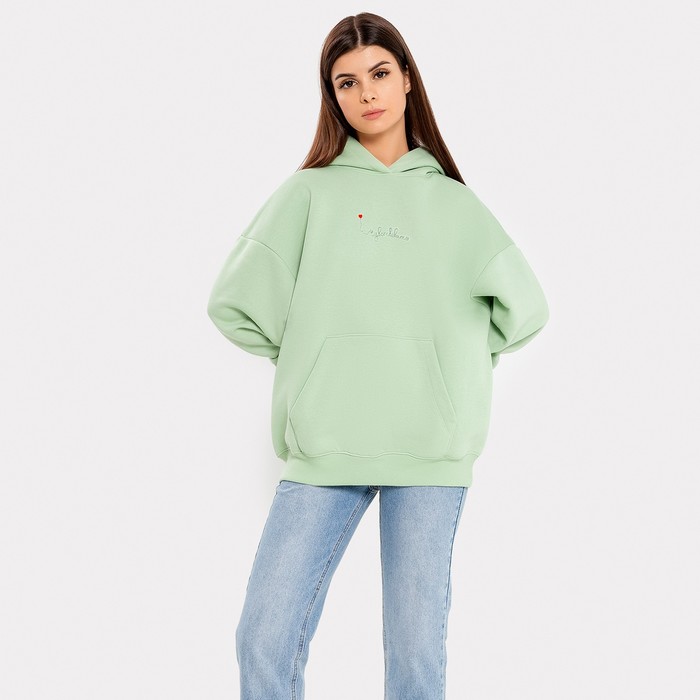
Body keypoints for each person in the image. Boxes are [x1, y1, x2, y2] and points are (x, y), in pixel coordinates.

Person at [207, 12, 550, 700]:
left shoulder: (454, 205)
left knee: (414, 661)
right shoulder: (308, 193)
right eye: (346, 82)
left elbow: (527, 310)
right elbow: (233, 304)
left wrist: (448, 364)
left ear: (407, 79)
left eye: (380, 73)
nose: (366, 92)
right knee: (263, 637)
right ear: (332, 97)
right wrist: (314, 362)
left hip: (429, 453)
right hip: (326, 445)